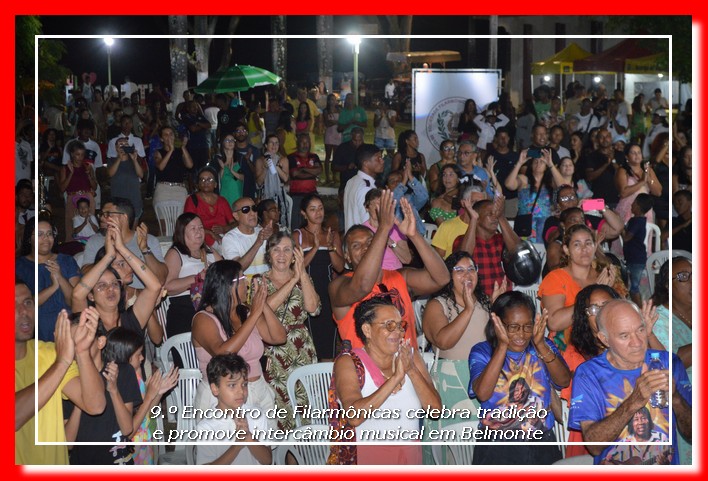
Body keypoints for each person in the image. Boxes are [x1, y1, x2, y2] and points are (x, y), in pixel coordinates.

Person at [568, 299, 692, 465]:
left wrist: (676, 398)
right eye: (624, 336)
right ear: (604, 339)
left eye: (640, 330)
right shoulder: (589, 374)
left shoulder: (669, 363)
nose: (637, 343)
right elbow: (593, 446)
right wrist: (635, 401)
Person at [327, 295, 441, 465]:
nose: (398, 332)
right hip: (370, 460)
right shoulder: (349, 362)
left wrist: (410, 370)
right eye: (389, 325)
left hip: (410, 458)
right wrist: (395, 379)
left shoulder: (410, 357)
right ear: (367, 330)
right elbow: (354, 417)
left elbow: (435, 410)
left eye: (400, 326)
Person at [330, 191, 449, 350]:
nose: (366, 247)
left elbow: (442, 278)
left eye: (370, 242)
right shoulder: (339, 285)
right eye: (356, 246)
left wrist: (414, 236)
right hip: (365, 371)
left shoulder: (400, 277)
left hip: (406, 368)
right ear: (347, 256)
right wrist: (384, 228)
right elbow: (363, 285)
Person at [469, 291, 569, 464]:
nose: (521, 335)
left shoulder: (543, 347)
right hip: (498, 446)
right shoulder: (483, 352)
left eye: (527, 326)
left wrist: (540, 345)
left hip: (542, 441)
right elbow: (483, 394)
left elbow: (563, 381)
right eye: (513, 327)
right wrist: (502, 346)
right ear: (498, 324)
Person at [15, 283, 106, 465]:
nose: (23, 311)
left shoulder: (49, 353)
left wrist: (82, 352)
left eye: (27, 302)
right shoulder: (58, 359)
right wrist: (62, 363)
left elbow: (95, 405)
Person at [190, 260, 286, 423]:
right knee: (231, 448)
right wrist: (255, 314)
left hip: (258, 391)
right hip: (222, 398)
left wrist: (262, 305)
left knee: (265, 447)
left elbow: (278, 337)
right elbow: (223, 353)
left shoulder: (245, 312)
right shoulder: (203, 319)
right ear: (226, 285)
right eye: (241, 279)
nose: (246, 283)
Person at [422, 252, 500, 430]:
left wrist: (497, 308)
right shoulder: (437, 305)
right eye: (459, 270)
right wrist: (467, 310)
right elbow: (443, 342)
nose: (467, 275)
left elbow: (497, 343)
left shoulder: (485, 302)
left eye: (471, 269)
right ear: (448, 275)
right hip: (452, 381)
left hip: (484, 376)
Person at [260, 232, 320, 430]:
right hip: (274, 351)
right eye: (276, 249)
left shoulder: (304, 277)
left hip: (301, 347)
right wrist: (293, 280)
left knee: (307, 403)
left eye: (287, 250)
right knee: (281, 408)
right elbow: (265, 307)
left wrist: (301, 274)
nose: (281, 255)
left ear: (295, 255)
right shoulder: (259, 282)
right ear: (268, 255)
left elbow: (313, 309)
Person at [539, 224, 625, 355]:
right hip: (568, 349)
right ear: (566, 250)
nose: (584, 249)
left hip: (604, 347)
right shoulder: (556, 278)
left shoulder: (605, 276)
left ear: (595, 246)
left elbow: (622, 315)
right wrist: (591, 293)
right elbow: (554, 323)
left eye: (588, 243)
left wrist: (609, 290)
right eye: (577, 245)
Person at [72, 214, 162, 338]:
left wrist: (121, 247)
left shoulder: (130, 319)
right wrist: (109, 256)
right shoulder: (88, 321)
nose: (110, 289)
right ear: (91, 296)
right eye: (102, 286)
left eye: (115, 284)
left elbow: (155, 285)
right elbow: (77, 294)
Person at [68, 326, 144, 465]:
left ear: (100, 342)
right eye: (72, 342)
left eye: (84, 338)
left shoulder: (122, 372)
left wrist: (114, 390)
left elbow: (127, 429)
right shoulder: (69, 379)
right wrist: (81, 399)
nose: (78, 347)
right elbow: (67, 443)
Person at [292, 193, 345, 360]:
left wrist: (329, 247)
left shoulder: (332, 234)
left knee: (327, 345)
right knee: (308, 344)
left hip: (328, 292)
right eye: (313, 209)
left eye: (320, 208)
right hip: (306, 293)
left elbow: (340, 267)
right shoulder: (297, 235)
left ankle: (326, 383)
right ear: (304, 213)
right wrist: (315, 247)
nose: (318, 213)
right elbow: (297, 268)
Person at [195, 353, 272, 465]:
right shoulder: (206, 427)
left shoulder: (256, 414)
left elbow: (268, 460)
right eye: (232, 385)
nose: (241, 391)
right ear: (215, 389)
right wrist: (236, 446)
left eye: (244, 384)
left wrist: (248, 437)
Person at [16, 219, 80, 341]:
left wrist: (60, 277)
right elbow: (23, 305)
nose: (46, 238)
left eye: (49, 234)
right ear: (29, 238)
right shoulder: (19, 266)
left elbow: (75, 301)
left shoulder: (67, 261)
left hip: (67, 330)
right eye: (40, 234)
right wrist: (53, 288)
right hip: (34, 334)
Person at [81, 198, 168, 286]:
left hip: (144, 297)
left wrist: (145, 250)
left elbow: (161, 279)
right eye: (101, 214)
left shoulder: (147, 240)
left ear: (124, 217)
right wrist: (108, 256)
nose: (102, 218)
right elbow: (84, 275)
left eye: (107, 214)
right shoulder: (95, 241)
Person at [164, 213, 222, 338]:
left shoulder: (210, 251)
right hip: (185, 308)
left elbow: (226, 273)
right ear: (182, 232)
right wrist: (197, 278)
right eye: (193, 228)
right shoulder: (176, 253)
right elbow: (167, 286)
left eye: (201, 227)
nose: (199, 232)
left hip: (212, 307)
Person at [456, 196, 520, 298]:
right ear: (477, 218)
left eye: (496, 214)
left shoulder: (502, 239)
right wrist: (473, 219)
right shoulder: (462, 240)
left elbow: (518, 251)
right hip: (477, 301)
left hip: (504, 300)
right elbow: (463, 257)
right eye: (490, 214)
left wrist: (501, 217)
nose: (495, 217)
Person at [504, 148, 554, 243]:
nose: (538, 164)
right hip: (526, 227)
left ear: (546, 166)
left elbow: (563, 186)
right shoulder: (524, 180)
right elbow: (509, 185)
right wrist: (519, 163)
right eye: (535, 161)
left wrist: (551, 164)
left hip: (545, 226)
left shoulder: (551, 183)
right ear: (531, 165)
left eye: (542, 162)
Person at [183, 167, 236, 248]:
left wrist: (225, 228)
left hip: (223, 236)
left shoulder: (222, 201)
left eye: (209, 180)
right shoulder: (192, 200)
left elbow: (234, 222)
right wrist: (210, 232)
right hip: (203, 235)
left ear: (215, 184)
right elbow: (188, 224)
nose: (206, 182)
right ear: (198, 184)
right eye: (202, 180)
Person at [222, 197, 273, 277]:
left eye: (254, 208)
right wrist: (258, 242)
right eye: (245, 210)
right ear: (236, 216)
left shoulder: (262, 231)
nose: (252, 213)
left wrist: (271, 239)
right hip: (245, 287)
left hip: (267, 285)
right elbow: (237, 269)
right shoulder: (229, 238)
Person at [363, 188, 412, 270]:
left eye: (383, 205)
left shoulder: (396, 228)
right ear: (366, 207)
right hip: (374, 275)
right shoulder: (362, 230)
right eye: (376, 205)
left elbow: (407, 259)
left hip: (395, 272)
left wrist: (389, 241)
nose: (380, 209)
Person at [58, 139, 97, 241]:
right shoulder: (65, 168)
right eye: (77, 154)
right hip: (72, 198)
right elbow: (62, 188)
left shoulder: (88, 167)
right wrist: (71, 173)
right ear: (72, 154)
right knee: (71, 226)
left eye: (82, 154)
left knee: (89, 223)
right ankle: (72, 249)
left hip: (88, 199)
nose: (80, 157)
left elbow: (95, 186)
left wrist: (89, 175)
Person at [614, 143, 661, 224]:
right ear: (626, 156)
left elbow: (658, 192)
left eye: (639, 152)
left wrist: (648, 179)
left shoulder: (648, 170)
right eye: (633, 153)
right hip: (628, 209)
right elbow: (623, 193)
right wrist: (642, 181)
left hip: (645, 210)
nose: (637, 155)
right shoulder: (622, 171)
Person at [343, 144, 384, 231]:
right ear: (366, 163)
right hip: (363, 240)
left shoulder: (351, 181)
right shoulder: (366, 188)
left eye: (381, 157)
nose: (382, 161)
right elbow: (369, 223)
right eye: (378, 158)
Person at [622, 194, 654, 305]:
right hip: (634, 258)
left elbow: (626, 238)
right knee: (631, 285)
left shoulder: (637, 221)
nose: (631, 205)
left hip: (636, 259)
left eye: (634, 203)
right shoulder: (636, 220)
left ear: (639, 206)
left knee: (634, 287)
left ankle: (640, 309)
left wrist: (620, 228)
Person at [152, 125, 192, 211]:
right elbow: (161, 167)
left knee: (180, 220)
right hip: (163, 189)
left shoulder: (180, 151)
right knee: (164, 219)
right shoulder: (158, 152)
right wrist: (170, 150)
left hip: (179, 189)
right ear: (162, 139)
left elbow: (190, 165)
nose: (169, 137)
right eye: (166, 135)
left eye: (171, 134)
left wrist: (183, 147)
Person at [255, 134, 291, 228]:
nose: (274, 145)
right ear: (266, 145)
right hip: (265, 196)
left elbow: (286, 178)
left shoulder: (283, 160)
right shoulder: (260, 160)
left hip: (279, 195)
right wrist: (266, 169)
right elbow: (258, 182)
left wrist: (276, 167)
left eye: (276, 143)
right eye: (271, 143)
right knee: (265, 222)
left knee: (279, 222)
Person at [288, 133, 322, 230]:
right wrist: (312, 172)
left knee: (313, 222)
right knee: (296, 224)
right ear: (297, 143)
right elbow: (295, 174)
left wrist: (303, 169)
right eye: (302, 142)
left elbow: (319, 170)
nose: (305, 144)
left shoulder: (314, 156)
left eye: (307, 142)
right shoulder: (291, 157)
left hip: (312, 194)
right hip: (297, 195)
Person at [108, 136, 145, 222]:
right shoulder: (112, 160)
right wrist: (119, 159)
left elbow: (141, 175)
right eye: (121, 145)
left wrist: (135, 160)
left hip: (134, 199)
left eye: (126, 144)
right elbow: (110, 173)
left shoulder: (134, 160)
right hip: (118, 200)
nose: (124, 146)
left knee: (133, 228)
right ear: (116, 148)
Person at [211, 133, 244, 209]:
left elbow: (245, 178)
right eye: (227, 140)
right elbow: (216, 181)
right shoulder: (217, 161)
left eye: (232, 140)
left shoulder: (240, 159)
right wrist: (222, 168)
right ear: (222, 143)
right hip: (224, 197)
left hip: (238, 196)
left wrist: (232, 172)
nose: (230, 142)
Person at [332, 127, 364, 195]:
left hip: (363, 184)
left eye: (360, 140)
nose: (357, 143)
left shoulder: (366, 149)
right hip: (346, 184)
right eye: (355, 140)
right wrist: (347, 167)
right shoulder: (343, 148)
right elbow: (334, 167)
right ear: (351, 137)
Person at [322, 93, 342, 186]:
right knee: (328, 156)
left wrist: (333, 122)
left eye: (334, 99)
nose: (332, 101)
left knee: (336, 157)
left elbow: (341, 122)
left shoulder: (339, 110)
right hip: (329, 135)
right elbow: (327, 123)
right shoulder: (326, 111)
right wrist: (336, 122)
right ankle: (327, 177)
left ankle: (334, 176)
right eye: (331, 100)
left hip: (338, 135)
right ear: (328, 101)